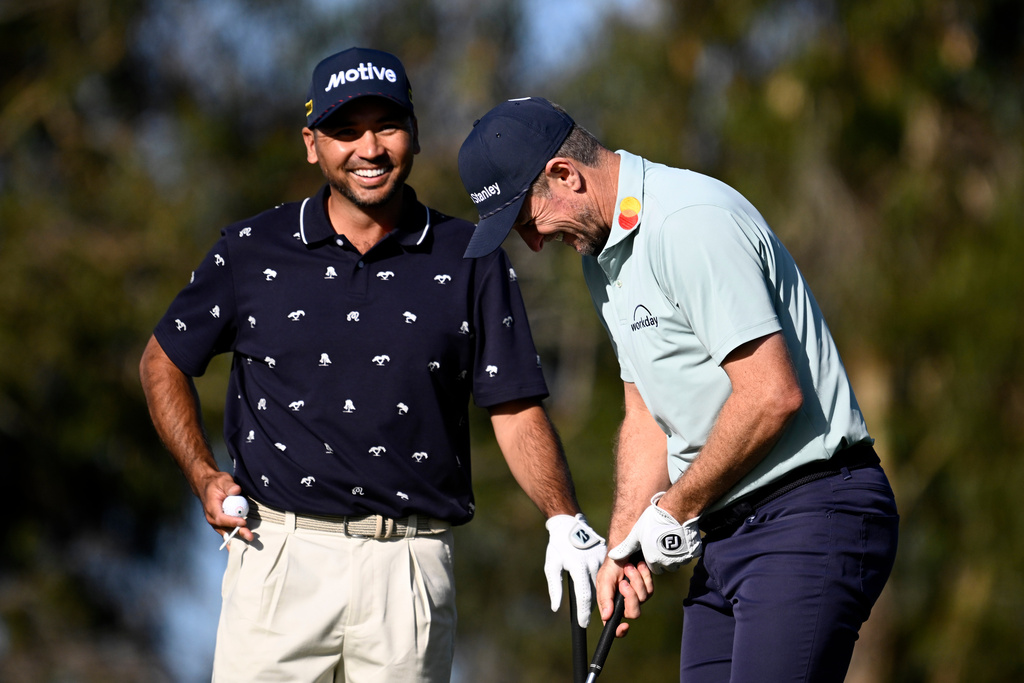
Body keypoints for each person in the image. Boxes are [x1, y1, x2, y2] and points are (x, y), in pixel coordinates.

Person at [139, 52, 606, 683]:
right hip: (278, 557)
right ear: (312, 145)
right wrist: (201, 473)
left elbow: (514, 406)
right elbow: (163, 361)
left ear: (413, 131)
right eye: (346, 131)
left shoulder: (471, 257)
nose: (370, 148)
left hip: (407, 568)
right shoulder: (250, 251)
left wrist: (564, 518)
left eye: (386, 125)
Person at [457, 97, 899, 682]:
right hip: (725, 533)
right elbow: (646, 417)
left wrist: (674, 509)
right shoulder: (601, 259)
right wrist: (622, 548)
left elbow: (771, 395)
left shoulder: (686, 220)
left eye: (526, 221)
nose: (534, 242)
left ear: (564, 175)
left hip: (809, 510)